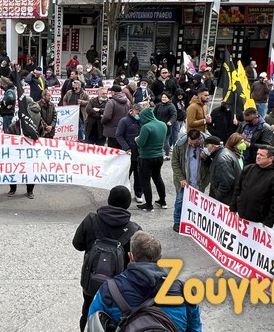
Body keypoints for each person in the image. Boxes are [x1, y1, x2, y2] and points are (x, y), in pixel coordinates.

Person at [87, 231, 202, 331]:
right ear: (160, 258)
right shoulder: (183, 291)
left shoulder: (109, 290)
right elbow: (195, 327)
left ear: (131, 256)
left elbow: (92, 323)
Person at [73, 186, 141, 331]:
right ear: (128, 204)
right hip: (118, 287)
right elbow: (139, 261)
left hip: (91, 281)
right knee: (116, 318)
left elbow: (77, 244)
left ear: (109, 200)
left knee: (88, 312)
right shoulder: (134, 230)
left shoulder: (90, 220)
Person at [231, 145, 274, 228]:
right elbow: (237, 190)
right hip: (241, 216)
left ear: (271, 158)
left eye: (261, 155)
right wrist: (233, 207)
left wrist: (268, 222)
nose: (258, 156)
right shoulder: (248, 169)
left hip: (259, 222)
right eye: (257, 154)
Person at [171, 129, 210, 232]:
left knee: (197, 202)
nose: (192, 145)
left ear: (200, 139)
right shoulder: (180, 144)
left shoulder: (207, 144)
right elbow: (174, 162)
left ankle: (194, 221)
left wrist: (206, 157)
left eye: (195, 144)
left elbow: (212, 164)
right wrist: (181, 178)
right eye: (190, 143)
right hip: (184, 180)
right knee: (180, 200)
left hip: (199, 180)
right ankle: (177, 221)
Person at [135, 107, 168, 212]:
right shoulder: (163, 125)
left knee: (145, 181)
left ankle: (148, 204)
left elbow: (141, 143)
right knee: (158, 178)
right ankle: (162, 201)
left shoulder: (146, 127)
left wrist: (136, 139)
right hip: (159, 156)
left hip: (146, 157)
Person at [117, 103, 144, 203]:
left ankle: (138, 193)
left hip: (140, 153)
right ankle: (123, 194)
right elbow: (119, 135)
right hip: (128, 154)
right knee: (126, 175)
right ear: (132, 111)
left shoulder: (142, 121)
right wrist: (126, 147)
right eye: (137, 113)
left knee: (139, 176)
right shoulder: (124, 121)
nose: (139, 115)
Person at [204, 136, 241, 206]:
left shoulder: (222, 159)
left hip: (225, 199)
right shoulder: (222, 153)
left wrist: (216, 198)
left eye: (206, 146)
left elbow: (226, 183)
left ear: (213, 146)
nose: (205, 149)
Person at [154, 92, 177, 160]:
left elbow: (174, 115)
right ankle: (159, 154)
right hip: (158, 126)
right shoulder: (159, 105)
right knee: (158, 141)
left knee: (165, 141)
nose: (163, 98)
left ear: (168, 98)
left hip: (166, 127)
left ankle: (167, 154)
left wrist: (170, 121)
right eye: (162, 97)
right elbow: (154, 113)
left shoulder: (171, 106)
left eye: (165, 97)